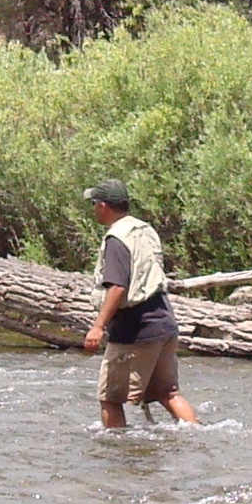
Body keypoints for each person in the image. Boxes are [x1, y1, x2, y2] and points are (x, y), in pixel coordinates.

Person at [80, 179, 196, 428]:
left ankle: (117, 453)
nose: (92, 209)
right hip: (164, 322)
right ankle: (197, 436)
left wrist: (98, 326)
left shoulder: (116, 239)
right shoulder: (144, 229)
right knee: (169, 393)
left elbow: (117, 286)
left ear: (102, 205)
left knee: (110, 399)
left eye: (93, 204)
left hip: (135, 330)